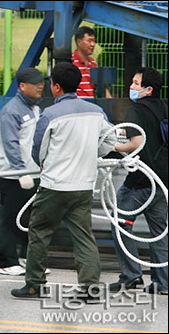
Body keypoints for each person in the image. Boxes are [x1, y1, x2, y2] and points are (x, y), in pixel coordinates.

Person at [11, 62, 117, 299]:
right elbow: (111, 139)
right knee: (83, 237)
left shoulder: (50, 114)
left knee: (39, 231)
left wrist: (45, 163)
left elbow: (38, 150)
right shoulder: (95, 111)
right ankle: (90, 289)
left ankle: (34, 285)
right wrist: (93, 153)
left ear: (56, 87)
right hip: (83, 186)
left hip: (55, 185)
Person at [108, 67, 168, 295]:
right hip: (161, 180)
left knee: (121, 224)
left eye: (135, 83)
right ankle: (163, 283)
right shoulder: (163, 108)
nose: (131, 87)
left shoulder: (136, 110)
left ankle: (131, 275)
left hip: (139, 182)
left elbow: (137, 142)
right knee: (159, 231)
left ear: (148, 90)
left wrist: (113, 147)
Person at [0, 68, 45, 276]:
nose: (40, 86)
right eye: (36, 84)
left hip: (33, 174)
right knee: (11, 219)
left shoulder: (35, 108)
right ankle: (7, 262)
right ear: (22, 86)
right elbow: (11, 144)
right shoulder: (11, 111)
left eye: (41, 82)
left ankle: (28, 258)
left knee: (31, 220)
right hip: (12, 176)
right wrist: (20, 170)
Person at [72, 26, 112, 98]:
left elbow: (100, 86)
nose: (93, 44)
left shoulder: (93, 63)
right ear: (79, 42)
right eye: (89, 41)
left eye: (94, 41)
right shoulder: (71, 62)